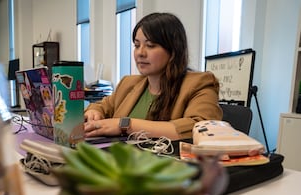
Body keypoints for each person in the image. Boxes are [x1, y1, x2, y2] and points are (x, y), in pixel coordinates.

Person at [84, 12, 222, 140]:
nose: (140, 53)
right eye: (137, 45)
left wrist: (125, 125)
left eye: (150, 45)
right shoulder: (128, 83)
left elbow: (201, 127)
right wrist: (94, 112)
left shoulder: (200, 83)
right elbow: (102, 106)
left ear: (173, 50)